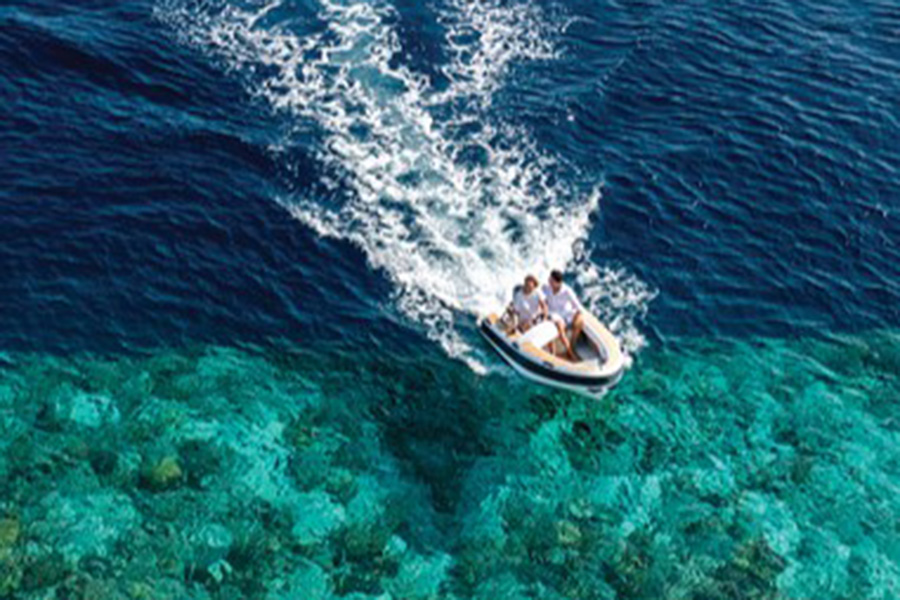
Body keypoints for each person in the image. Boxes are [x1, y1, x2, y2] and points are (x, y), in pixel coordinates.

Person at [542, 270, 585, 361]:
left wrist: (577, 317)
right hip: (552, 314)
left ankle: (571, 347)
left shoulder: (567, 291)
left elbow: (579, 307)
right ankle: (568, 353)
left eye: (552, 281)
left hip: (565, 315)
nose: (549, 282)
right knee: (558, 327)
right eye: (549, 279)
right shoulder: (546, 287)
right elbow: (539, 296)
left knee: (579, 320)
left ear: (558, 283)